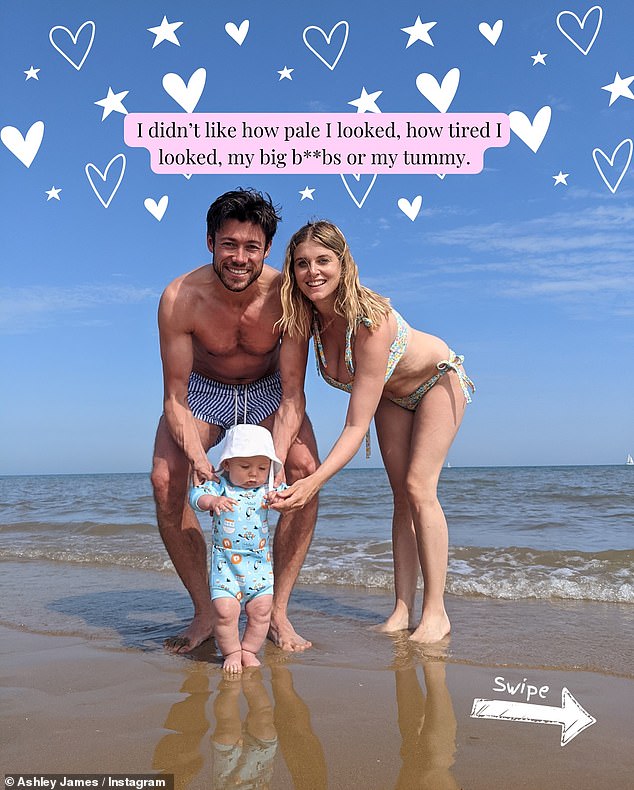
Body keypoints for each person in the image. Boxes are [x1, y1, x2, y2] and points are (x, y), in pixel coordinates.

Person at [270, 221, 475, 644]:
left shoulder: (370, 320)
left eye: (323, 260)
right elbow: (291, 399)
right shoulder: (301, 319)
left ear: (343, 264)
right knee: (401, 495)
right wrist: (274, 467)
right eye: (302, 263)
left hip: (437, 381)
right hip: (391, 397)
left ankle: (436, 613)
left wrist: (313, 481)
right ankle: (402, 609)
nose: (313, 272)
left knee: (420, 488)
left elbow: (354, 425)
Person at [150, 189, 319, 654]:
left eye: (251, 247)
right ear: (210, 242)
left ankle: (276, 612)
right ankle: (207, 611)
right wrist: (195, 459)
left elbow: (291, 395)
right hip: (204, 391)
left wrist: (277, 459)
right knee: (167, 480)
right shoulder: (180, 297)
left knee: (303, 475)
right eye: (229, 244)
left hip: (267, 392)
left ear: (267, 249)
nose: (239, 258)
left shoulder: (288, 298)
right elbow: (175, 397)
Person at [189, 424, 286, 672]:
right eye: (245, 467)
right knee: (224, 612)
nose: (254, 474)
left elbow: (289, 499)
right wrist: (212, 500)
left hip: (259, 567)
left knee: (262, 611)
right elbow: (196, 497)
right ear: (228, 464)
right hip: (226, 567)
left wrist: (281, 501)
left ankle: (249, 650)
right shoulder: (221, 485)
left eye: (262, 468)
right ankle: (231, 652)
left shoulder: (268, 488)